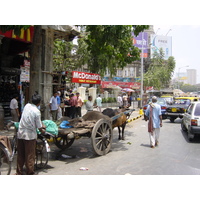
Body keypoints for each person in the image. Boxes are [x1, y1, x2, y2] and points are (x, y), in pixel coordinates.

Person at [16, 93, 46, 175]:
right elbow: (39, 126)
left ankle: (19, 171)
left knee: (21, 154)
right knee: (30, 155)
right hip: (30, 135)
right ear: (39, 103)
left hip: (21, 133)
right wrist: (43, 129)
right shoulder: (37, 112)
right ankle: (30, 172)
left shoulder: (26, 106)